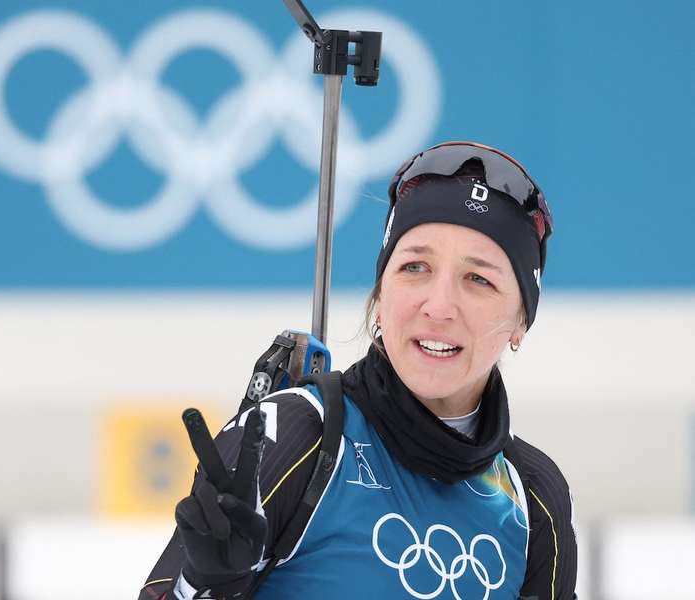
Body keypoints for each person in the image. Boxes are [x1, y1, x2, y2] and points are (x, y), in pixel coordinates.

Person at [139, 141, 577, 599]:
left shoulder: (534, 496)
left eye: (479, 279)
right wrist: (202, 584)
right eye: (415, 267)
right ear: (381, 295)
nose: (439, 306)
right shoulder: (298, 435)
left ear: (521, 321)